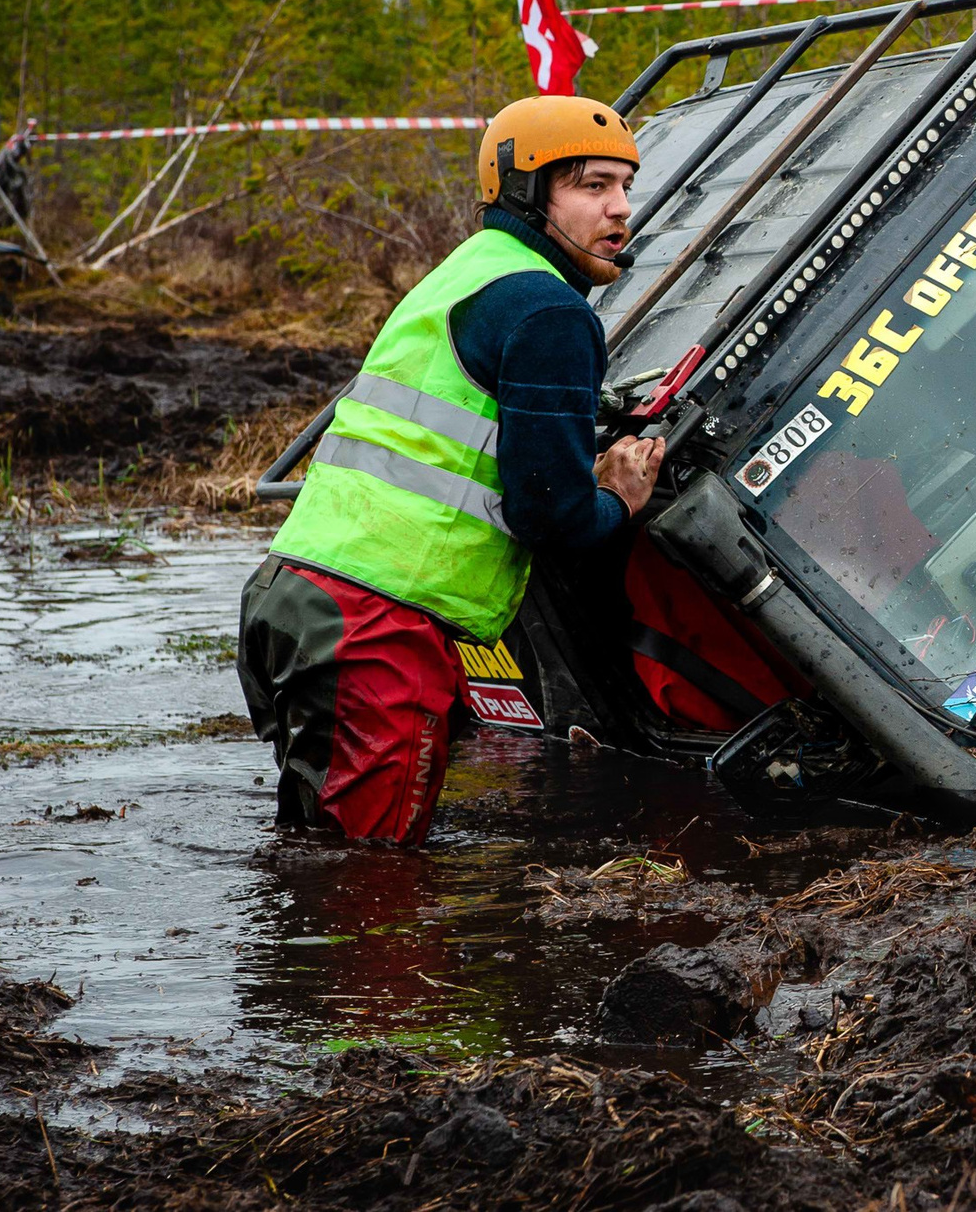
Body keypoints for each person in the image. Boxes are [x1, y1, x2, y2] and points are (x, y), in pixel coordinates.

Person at [237, 96, 665, 845]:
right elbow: (553, 517)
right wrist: (617, 496)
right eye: (593, 185)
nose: (621, 207)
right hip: (374, 629)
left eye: (626, 184)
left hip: (292, 597)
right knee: (374, 897)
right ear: (531, 194)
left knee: (321, 854)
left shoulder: (466, 273)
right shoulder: (550, 310)